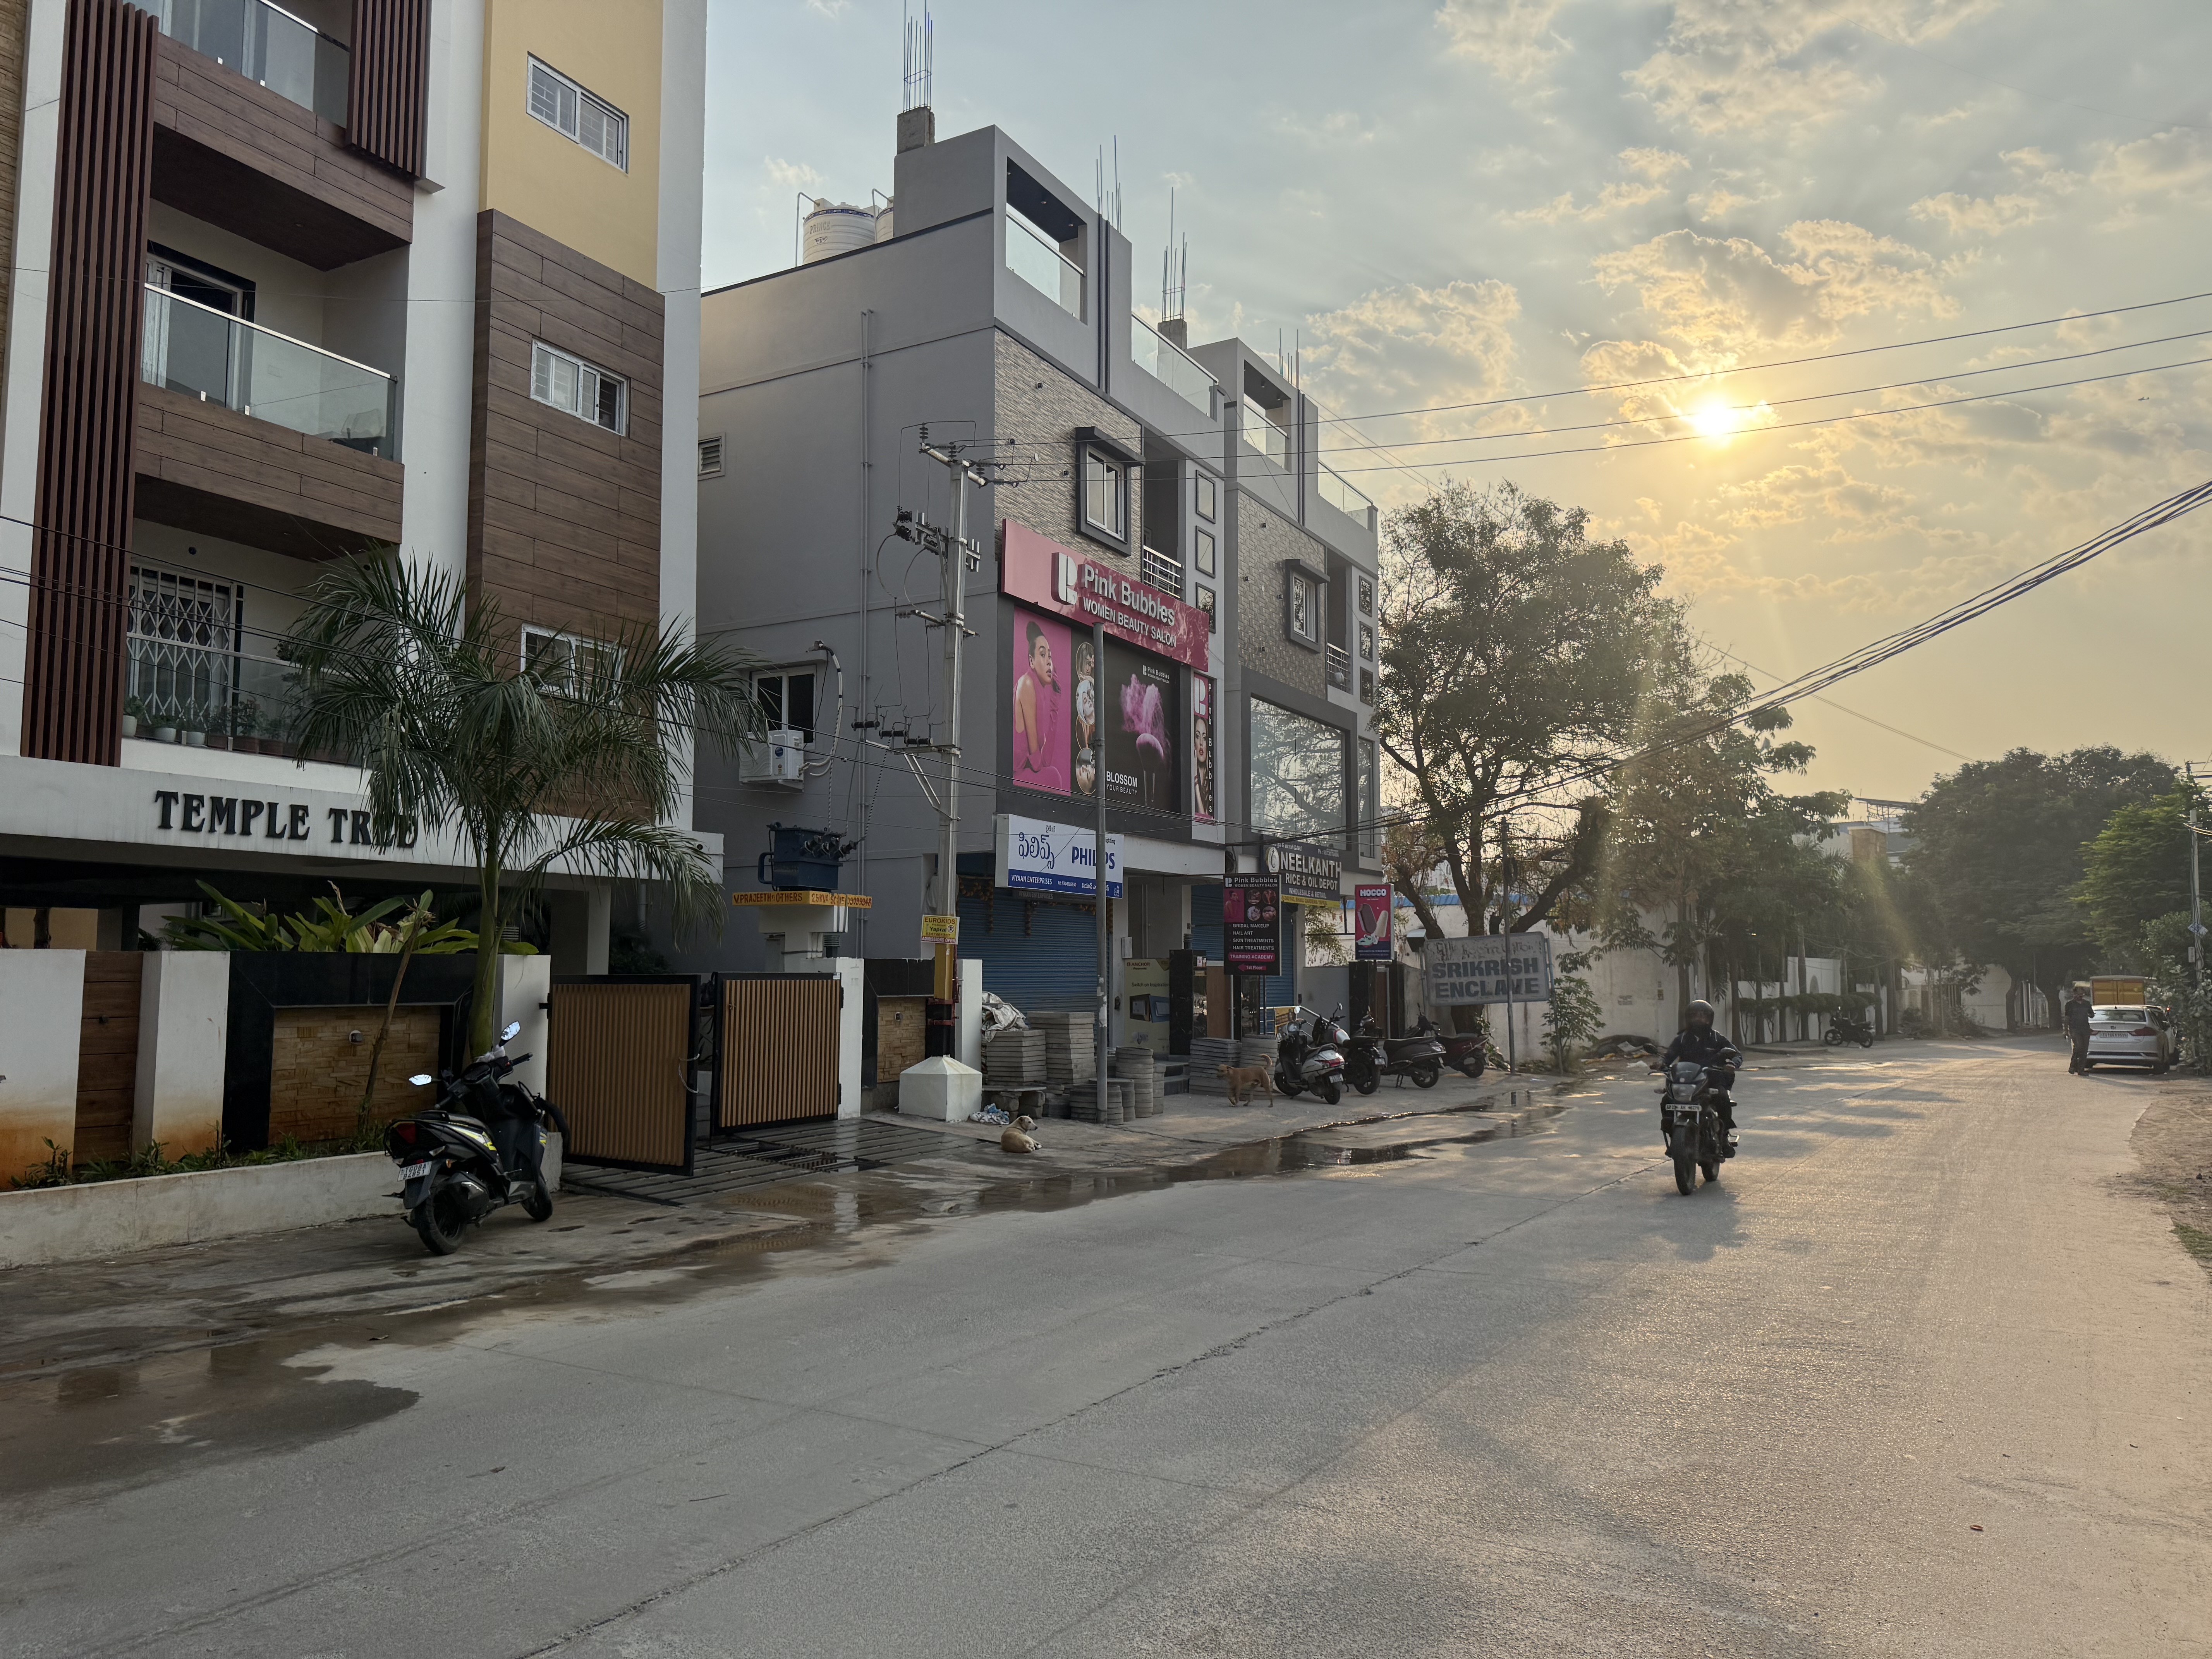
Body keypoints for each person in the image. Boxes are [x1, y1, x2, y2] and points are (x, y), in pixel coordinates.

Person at [1659, 999, 1741, 1153]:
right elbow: (1669, 1056)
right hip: (1687, 1081)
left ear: (1710, 1019)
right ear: (1689, 1018)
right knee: (1666, 1100)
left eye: (1703, 1016)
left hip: (1711, 1080)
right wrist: (1661, 1063)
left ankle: (1724, 1137)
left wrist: (1733, 1064)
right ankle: (1674, 1137)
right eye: (1695, 1015)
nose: (1699, 1019)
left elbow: (1736, 1054)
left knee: (1723, 1098)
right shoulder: (1682, 1038)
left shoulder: (1717, 1038)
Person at [2064, 986, 2094, 1074]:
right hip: (2075, 1029)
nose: (2080, 996)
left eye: (2082, 994)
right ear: (2074, 994)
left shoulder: (2087, 1004)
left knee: (2084, 1050)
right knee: (2079, 1047)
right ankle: (2073, 1066)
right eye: (2078, 994)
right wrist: (2065, 1030)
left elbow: (2092, 1015)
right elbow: (2067, 1018)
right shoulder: (2070, 1005)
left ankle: (2081, 1070)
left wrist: (2090, 1014)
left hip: (2085, 1029)